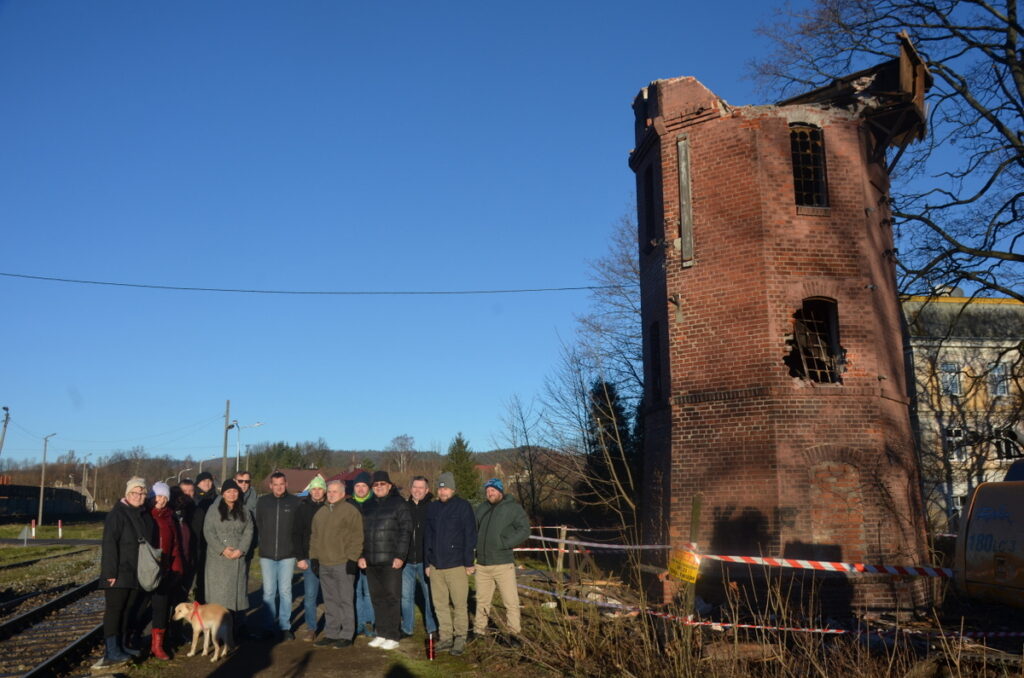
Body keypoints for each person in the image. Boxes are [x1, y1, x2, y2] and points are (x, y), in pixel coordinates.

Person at [100, 476, 155, 665]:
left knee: (127, 611)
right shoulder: (117, 514)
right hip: (119, 573)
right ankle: (111, 650)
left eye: (142, 493)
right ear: (127, 493)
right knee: (115, 611)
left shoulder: (140, 513)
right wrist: (110, 574)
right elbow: (109, 545)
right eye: (135, 492)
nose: (138, 496)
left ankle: (121, 646)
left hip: (134, 572)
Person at [358, 470, 412, 651]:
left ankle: (393, 635)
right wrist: (362, 555)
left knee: (392, 598)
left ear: (389, 486)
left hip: (391, 560)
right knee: (377, 598)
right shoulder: (367, 505)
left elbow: (406, 531)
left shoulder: (399, 504)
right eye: (376, 485)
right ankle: (381, 633)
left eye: (382, 484)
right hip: (371, 560)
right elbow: (362, 534)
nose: (379, 487)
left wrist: (400, 556)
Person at [424, 472, 477, 655]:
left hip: (456, 565)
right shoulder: (432, 508)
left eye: (446, 488)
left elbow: (470, 535)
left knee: (460, 604)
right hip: (435, 566)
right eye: (440, 488)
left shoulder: (463, 507)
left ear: (453, 489)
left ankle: (460, 637)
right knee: (440, 604)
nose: (442, 491)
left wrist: (469, 562)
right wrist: (426, 563)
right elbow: (428, 537)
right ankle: (446, 636)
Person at [473, 478, 530, 644]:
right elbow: (473, 529)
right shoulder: (481, 508)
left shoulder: (512, 508)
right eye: (487, 490)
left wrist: (505, 543)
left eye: (493, 490)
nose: (490, 493)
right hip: (482, 564)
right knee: (482, 600)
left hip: (503, 563)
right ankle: (479, 630)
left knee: (510, 602)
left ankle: (514, 635)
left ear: (500, 491)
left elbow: (525, 529)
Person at [309, 479, 363, 648]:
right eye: (329, 491)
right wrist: (314, 558)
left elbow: (357, 537)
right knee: (330, 600)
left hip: (343, 563)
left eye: (335, 492)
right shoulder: (320, 513)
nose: (331, 494)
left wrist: (353, 559)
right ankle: (332, 633)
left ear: (342, 493)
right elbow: (315, 538)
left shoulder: (350, 511)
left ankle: (347, 634)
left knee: (345, 600)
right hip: (325, 563)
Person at [254, 471, 301, 640]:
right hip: (267, 554)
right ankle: (267, 626)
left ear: (286, 484)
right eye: (276, 484)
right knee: (268, 592)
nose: (279, 487)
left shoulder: (295, 502)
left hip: (287, 554)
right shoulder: (263, 502)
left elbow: (298, 528)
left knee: (286, 591)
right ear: (270, 485)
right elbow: (259, 524)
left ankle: (284, 626)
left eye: (282, 484)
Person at [203, 478, 253, 636]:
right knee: (220, 597)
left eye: (235, 491)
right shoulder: (213, 510)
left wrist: (241, 549)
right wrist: (222, 549)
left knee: (235, 596)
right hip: (218, 559)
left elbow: (249, 531)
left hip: (237, 558)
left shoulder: (244, 511)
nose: (232, 494)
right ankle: (216, 631)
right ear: (223, 493)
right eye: (228, 491)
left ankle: (233, 631)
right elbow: (208, 532)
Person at [147, 481, 184, 660]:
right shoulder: (145, 514)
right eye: (156, 496)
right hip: (145, 569)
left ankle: (157, 646)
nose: (160, 500)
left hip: (165, 569)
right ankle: (132, 640)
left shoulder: (169, 517)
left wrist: (177, 567)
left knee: (161, 606)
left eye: (163, 497)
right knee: (140, 607)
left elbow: (176, 544)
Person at [401, 476, 437, 639]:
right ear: (410, 489)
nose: (417, 490)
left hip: (426, 560)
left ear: (427, 490)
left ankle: (432, 627)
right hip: (406, 561)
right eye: (415, 487)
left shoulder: (433, 508)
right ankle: (407, 628)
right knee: (406, 596)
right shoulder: (404, 507)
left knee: (429, 596)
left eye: (421, 487)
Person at [294, 475, 328, 641]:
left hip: (329, 558)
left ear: (324, 490)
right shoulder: (302, 507)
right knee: (310, 595)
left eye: (319, 488)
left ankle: (331, 626)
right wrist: (300, 557)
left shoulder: (331, 506)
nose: (316, 492)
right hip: (308, 557)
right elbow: (297, 534)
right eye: (313, 488)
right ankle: (311, 628)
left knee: (330, 595)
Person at [347, 471, 375, 637]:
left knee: (369, 591)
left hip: (370, 554)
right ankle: (359, 622)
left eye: (364, 486)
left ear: (368, 488)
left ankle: (370, 622)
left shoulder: (374, 503)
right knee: (356, 591)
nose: (361, 489)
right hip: (352, 554)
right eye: (357, 486)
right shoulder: (349, 504)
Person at [192, 472, 217, 603]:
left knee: (210, 576)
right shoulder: (193, 498)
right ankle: (197, 603)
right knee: (197, 575)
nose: (207, 483)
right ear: (198, 483)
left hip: (212, 543)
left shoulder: (217, 499)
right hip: (197, 541)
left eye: (209, 481)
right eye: (203, 481)